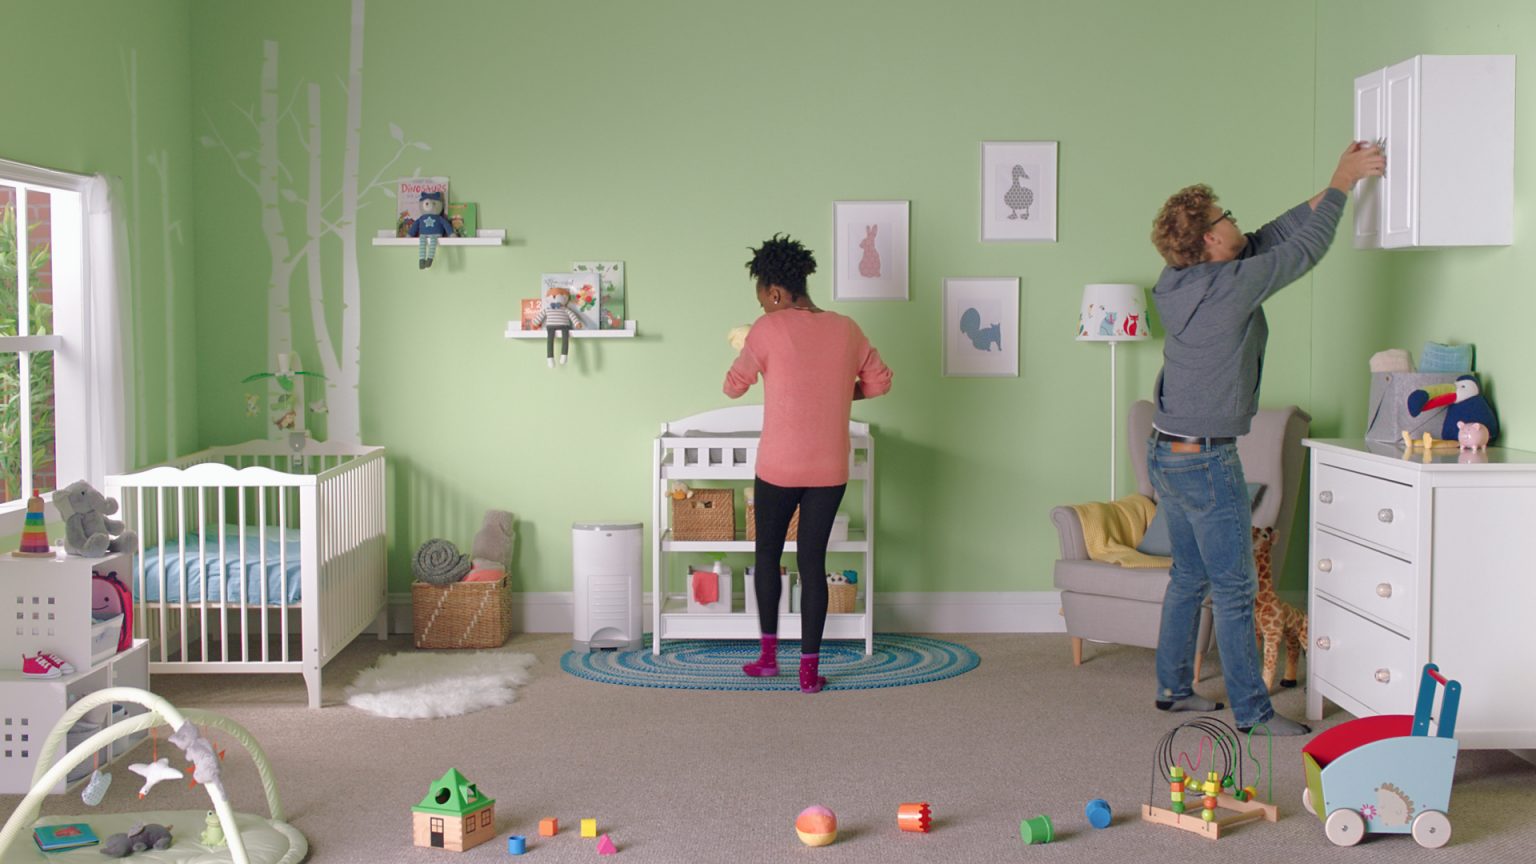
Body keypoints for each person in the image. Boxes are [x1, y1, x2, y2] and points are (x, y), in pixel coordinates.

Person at [1146, 141, 1385, 735]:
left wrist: (1335, 185)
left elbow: (1272, 235)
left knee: (1188, 577)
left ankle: (1173, 688)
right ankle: (1253, 712)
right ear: (1210, 239)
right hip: (1204, 459)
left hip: (1167, 450)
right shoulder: (1229, 287)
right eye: (1225, 217)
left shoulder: (1180, 280)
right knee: (1235, 588)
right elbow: (1302, 251)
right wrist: (1342, 181)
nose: (1235, 221)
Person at [724, 233, 893, 693]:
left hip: (777, 467)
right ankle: (809, 671)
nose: (763, 308)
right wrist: (837, 391)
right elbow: (879, 383)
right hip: (829, 468)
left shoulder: (767, 330)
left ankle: (767, 659)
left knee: (767, 556)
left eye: (763, 299)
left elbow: (733, 387)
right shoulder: (848, 329)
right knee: (812, 562)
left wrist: (751, 352)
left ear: (776, 293)